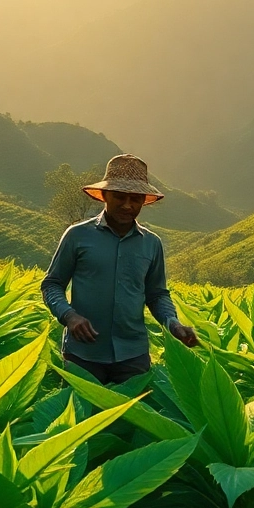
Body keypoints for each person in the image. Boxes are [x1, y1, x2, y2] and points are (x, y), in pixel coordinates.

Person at [40, 154, 198, 384]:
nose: (127, 205)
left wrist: (173, 323)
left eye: (135, 199)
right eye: (119, 197)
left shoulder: (151, 243)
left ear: (144, 201)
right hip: (84, 354)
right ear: (104, 196)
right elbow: (52, 284)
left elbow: (157, 294)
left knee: (132, 417)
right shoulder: (77, 235)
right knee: (83, 415)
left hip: (133, 354)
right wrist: (70, 316)